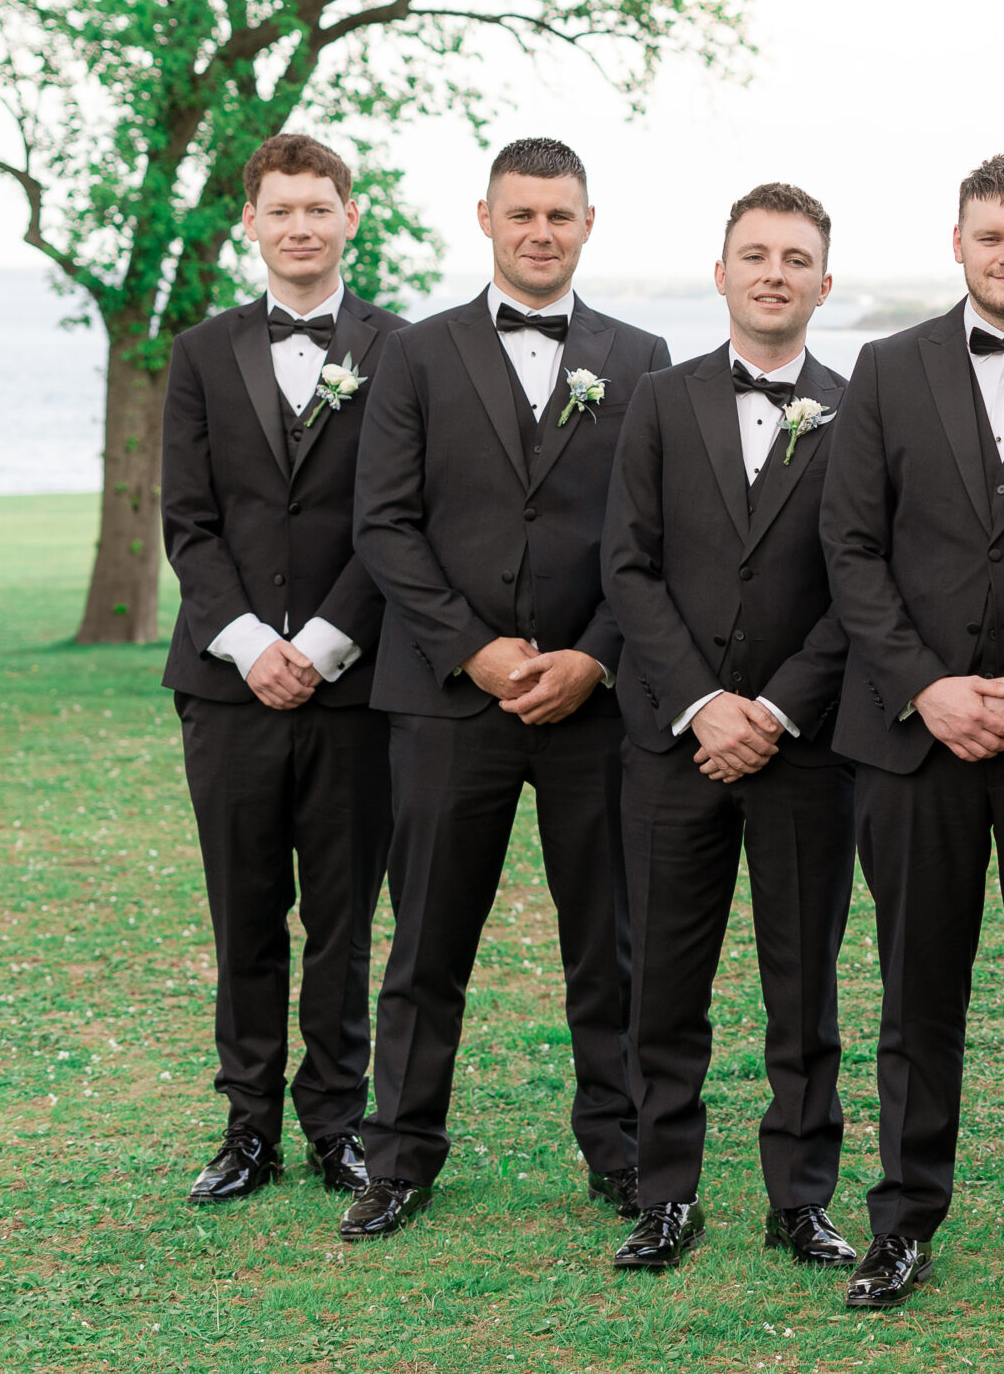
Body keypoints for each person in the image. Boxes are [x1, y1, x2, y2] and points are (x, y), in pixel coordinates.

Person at [343, 137, 670, 1239]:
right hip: (444, 700)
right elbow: (382, 521)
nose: (541, 231)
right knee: (427, 937)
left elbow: (654, 534)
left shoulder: (642, 356)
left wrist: (594, 655)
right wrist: (473, 648)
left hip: (593, 703)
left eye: (560, 215)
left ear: (588, 223)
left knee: (609, 938)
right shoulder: (417, 354)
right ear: (485, 217)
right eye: (522, 213)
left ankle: (623, 1150)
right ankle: (398, 1154)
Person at [818, 155, 1004, 1312]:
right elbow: (850, 547)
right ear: (957, 242)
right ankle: (902, 1221)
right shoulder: (886, 371)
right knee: (915, 990)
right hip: (910, 739)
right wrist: (926, 686)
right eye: (992, 235)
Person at [598, 183, 857, 1270]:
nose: (773, 273)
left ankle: (799, 1196)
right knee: (662, 977)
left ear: (823, 282)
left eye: (796, 258)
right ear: (721, 271)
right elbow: (627, 564)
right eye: (754, 254)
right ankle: (665, 1193)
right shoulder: (659, 400)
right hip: (673, 740)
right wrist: (704, 702)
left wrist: (778, 706)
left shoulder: (858, 409)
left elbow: (865, 586)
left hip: (804, 750)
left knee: (804, 986)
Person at [161, 133, 408, 1205]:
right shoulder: (200, 352)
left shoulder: (404, 350)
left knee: (345, 918)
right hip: (227, 686)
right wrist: (256, 643)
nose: (301, 224)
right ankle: (246, 1125)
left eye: (320, 205)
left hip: (357, 687)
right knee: (245, 912)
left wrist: (318, 644)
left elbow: (398, 519)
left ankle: (337, 1123)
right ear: (250, 223)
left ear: (352, 215)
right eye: (281, 208)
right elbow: (189, 520)